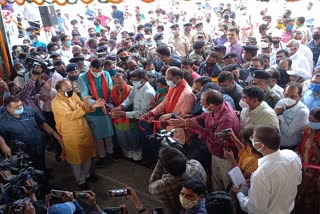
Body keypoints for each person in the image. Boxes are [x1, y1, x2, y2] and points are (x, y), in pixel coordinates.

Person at [169, 90, 240, 191]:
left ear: (211, 106)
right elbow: (202, 117)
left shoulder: (226, 118)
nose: (201, 106)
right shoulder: (214, 109)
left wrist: (196, 127)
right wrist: (186, 122)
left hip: (225, 156)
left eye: (203, 104)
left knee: (228, 184)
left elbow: (216, 140)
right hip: (215, 153)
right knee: (216, 181)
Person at [234, 125, 302, 214]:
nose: (251, 140)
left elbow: (255, 209)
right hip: (289, 209)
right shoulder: (292, 155)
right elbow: (297, 180)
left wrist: (240, 194)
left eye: (253, 138)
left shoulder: (261, 174)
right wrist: (257, 185)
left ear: (260, 145)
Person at [51, 79, 105, 189]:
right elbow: (69, 116)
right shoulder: (56, 103)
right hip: (70, 133)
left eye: (71, 88)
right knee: (76, 159)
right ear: (59, 90)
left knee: (87, 154)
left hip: (83, 128)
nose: (70, 91)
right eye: (66, 90)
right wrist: (85, 107)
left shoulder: (74, 94)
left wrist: (92, 106)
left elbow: (81, 106)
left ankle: (87, 174)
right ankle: (80, 181)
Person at [0, 95, 61, 171]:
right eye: (16, 107)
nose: (20, 108)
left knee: (41, 161)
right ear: (8, 108)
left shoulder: (30, 110)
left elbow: (42, 123)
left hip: (39, 143)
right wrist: (3, 145)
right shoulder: (2, 121)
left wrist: (54, 134)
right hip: (22, 150)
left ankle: (44, 173)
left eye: (21, 105)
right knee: (29, 168)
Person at [141, 67, 195, 144]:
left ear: (177, 78)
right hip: (167, 126)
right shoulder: (172, 87)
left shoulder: (187, 94)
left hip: (178, 131)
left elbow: (185, 116)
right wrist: (151, 113)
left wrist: (169, 115)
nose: (166, 81)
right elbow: (164, 103)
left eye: (168, 79)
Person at [112, 69, 155, 161]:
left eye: (135, 81)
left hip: (145, 121)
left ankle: (149, 161)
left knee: (146, 142)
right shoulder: (137, 86)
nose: (133, 83)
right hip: (136, 117)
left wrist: (125, 114)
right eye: (132, 81)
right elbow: (130, 98)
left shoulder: (148, 92)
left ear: (143, 80)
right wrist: (121, 106)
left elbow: (144, 113)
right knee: (139, 139)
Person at [149, 147, 206, 214]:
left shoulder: (164, 185)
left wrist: (161, 161)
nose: (184, 198)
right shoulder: (196, 165)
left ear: (166, 169)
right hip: (199, 202)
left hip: (176, 209)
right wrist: (177, 156)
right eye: (182, 194)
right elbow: (187, 162)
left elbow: (151, 187)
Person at [78, 59, 115, 165]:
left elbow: (110, 89)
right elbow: (84, 96)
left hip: (106, 108)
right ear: (91, 68)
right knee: (98, 136)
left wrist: (110, 103)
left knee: (108, 134)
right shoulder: (82, 77)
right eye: (96, 70)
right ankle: (102, 156)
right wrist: (98, 103)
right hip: (93, 110)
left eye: (100, 70)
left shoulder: (106, 74)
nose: (98, 73)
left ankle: (110, 153)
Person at [296, 107, 320, 214]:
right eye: (309, 119)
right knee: (299, 194)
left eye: (314, 121)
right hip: (303, 167)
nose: (310, 123)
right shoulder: (308, 129)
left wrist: (313, 142)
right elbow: (302, 145)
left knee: (310, 196)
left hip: (315, 174)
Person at [274, 82, 309, 150]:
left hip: (289, 147)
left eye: (292, 96)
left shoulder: (302, 112)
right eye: (286, 95)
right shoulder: (281, 102)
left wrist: (280, 115)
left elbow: (288, 133)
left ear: (300, 97)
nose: (288, 98)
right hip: (275, 143)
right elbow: (273, 121)